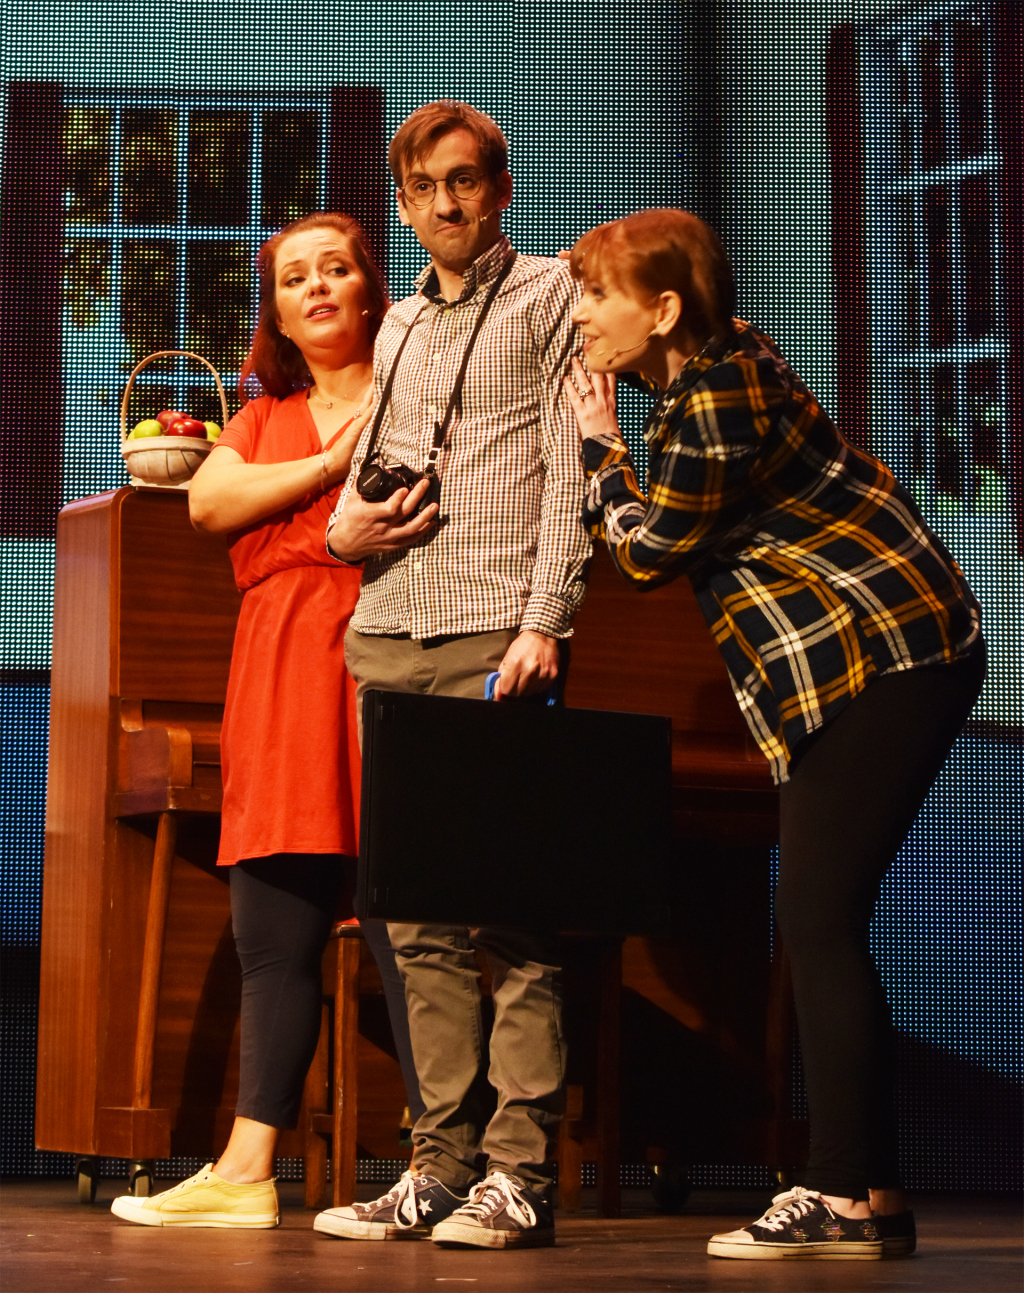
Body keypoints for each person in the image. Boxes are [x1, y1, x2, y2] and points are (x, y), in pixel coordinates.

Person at [563, 208, 984, 1261]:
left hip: (890, 650)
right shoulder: (705, 376)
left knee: (815, 917)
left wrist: (600, 451)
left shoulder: (716, 397)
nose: (582, 316)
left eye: (599, 295)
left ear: (664, 308)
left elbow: (648, 554)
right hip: (865, 660)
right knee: (822, 919)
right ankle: (871, 1191)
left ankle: (837, 1191)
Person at [312, 101, 590, 1250]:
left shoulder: (552, 295)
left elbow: (572, 467)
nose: (445, 204)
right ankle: (438, 1165)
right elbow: (374, 461)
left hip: (490, 631)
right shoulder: (399, 326)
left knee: (510, 914)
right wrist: (341, 536)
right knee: (413, 917)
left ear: (500, 188)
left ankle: (519, 1173)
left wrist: (545, 620)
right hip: (389, 628)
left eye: (464, 180)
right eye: (423, 187)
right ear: (403, 203)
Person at [110, 211, 423, 1229]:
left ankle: (443, 1157)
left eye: (336, 269)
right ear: (278, 314)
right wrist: (331, 472)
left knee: (410, 922)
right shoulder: (263, 417)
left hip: (390, 663)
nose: (318, 287)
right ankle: (246, 1171)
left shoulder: (418, 396)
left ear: (372, 290)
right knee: (274, 927)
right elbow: (210, 504)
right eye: (296, 278)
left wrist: (297, 515)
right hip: (284, 675)